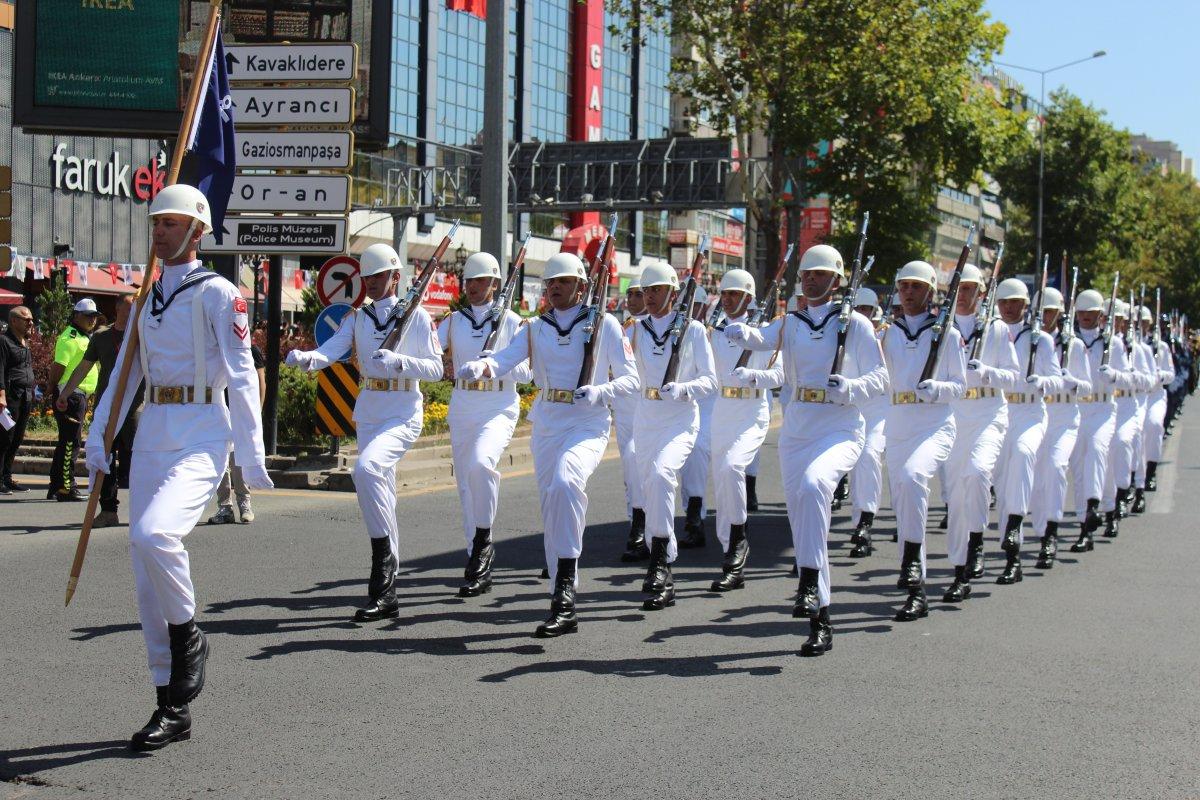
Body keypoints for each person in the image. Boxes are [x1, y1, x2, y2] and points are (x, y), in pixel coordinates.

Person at [85, 183, 272, 751]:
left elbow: (242, 373)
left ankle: (190, 636)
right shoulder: (146, 297)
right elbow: (125, 377)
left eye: (169, 223)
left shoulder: (219, 293)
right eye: (155, 223)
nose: (159, 231)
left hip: (201, 431)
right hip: (154, 434)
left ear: (197, 230)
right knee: (145, 576)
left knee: (154, 534)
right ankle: (170, 705)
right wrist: (98, 438)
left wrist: (251, 455)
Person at [458, 252, 639, 637]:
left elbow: (631, 380)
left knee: (566, 482)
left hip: (587, 422)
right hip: (548, 422)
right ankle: (560, 595)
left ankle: (567, 591)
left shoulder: (604, 324)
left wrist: (601, 391)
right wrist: (483, 367)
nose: (555, 287)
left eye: (563, 282)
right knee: (552, 507)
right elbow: (505, 359)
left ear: (581, 287)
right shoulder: (536, 328)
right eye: (550, 282)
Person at [726, 244, 888, 655]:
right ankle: (814, 599)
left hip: (840, 427)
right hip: (797, 430)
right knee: (801, 514)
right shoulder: (791, 322)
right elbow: (762, 339)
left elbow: (880, 378)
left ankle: (815, 594)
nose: (811, 280)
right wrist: (739, 331)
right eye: (806, 274)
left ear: (836, 281)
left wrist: (851, 387)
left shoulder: (855, 324)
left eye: (820, 274)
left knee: (816, 486)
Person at [286, 243, 445, 622]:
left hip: (403, 411)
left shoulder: (418, 317)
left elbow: (437, 369)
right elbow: (333, 349)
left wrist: (400, 362)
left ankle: (381, 568)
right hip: (371, 411)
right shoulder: (359, 318)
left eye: (378, 276)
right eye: (367, 277)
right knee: (381, 491)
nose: (371, 282)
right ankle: (389, 589)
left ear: (396, 277)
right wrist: (308, 359)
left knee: (366, 470)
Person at [436, 252, 530, 597]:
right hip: (464, 404)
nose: (472, 287)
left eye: (479, 281)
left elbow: (528, 373)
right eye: (469, 281)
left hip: (498, 404)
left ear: (494, 283)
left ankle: (484, 542)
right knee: (465, 485)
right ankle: (475, 555)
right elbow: (430, 352)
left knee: (481, 464)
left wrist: (496, 363)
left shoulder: (513, 322)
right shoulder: (454, 322)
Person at [625, 263, 716, 609]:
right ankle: (662, 561)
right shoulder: (635, 330)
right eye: (646, 290)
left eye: (657, 290)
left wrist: (684, 388)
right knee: (649, 487)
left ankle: (660, 562)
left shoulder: (693, 330)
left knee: (663, 475)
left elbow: (710, 380)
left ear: (673, 294)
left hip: (679, 418)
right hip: (646, 417)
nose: (649, 296)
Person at [879, 260, 966, 622]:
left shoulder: (948, 334)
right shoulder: (887, 334)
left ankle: (913, 562)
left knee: (914, 476)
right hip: (898, 424)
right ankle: (917, 592)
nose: (909, 292)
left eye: (916, 286)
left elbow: (959, 386)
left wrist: (938, 389)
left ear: (930, 291)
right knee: (903, 498)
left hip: (934, 424)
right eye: (904, 286)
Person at [942, 266, 1018, 597]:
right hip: (953, 415)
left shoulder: (996, 328)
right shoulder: (941, 327)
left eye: (969, 288)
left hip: (988, 413)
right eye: (958, 287)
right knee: (956, 497)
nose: (962, 294)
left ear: (982, 293)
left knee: (977, 473)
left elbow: (1013, 376)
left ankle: (976, 541)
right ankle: (959, 571)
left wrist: (987, 372)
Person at [703, 269, 774, 592]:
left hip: (752, 410)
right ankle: (729, 549)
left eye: (734, 294)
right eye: (725, 294)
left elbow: (781, 373)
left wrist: (756, 377)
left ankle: (738, 544)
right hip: (722, 409)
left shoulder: (764, 332)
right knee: (722, 480)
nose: (728, 299)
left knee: (733, 467)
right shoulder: (715, 332)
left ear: (748, 298)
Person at [989, 278, 1062, 585]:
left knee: (1022, 454)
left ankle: (1016, 525)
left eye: (1014, 302)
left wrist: (1042, 382)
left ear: (1025, 305)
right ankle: (1012, 556)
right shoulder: (991, 334)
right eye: (1003, 302)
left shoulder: (1039, 339)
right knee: (1003, 483)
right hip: (999, 411)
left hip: (1030, 412)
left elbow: (1057, 380)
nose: (1008, 307)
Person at [1029, 287, 1092, 569]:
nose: (1044, 316)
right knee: (1036, 479)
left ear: (1060, 314)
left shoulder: (1073, 344)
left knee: (1055, 468)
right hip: (1035, 415)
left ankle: (1051, 534)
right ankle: (1040, 527)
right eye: (1040, 311)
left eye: (1050, 311)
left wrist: (1072, 381)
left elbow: (1088, 386)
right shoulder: (1030, 340)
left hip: (1064, 417)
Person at [1066, 290, 1122, 552]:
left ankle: (1098, 507)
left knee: (1098, 452)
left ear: (1101, 315)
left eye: (1091, 312)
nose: (1086, 317)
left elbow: (1129, 377)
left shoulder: (1113, 343)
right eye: (1081, 312)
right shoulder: (1069, 341)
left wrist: (1115, 376)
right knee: (1079, 468)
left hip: (1103, 408)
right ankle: (1084, 526)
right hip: (1077, 408)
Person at [847, 289, 889, 558]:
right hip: (850, 409)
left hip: (877, 411)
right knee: (850, 467)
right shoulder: (843, 333)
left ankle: (865, 522)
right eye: (858, 309)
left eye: (867, 309)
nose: (863, 314)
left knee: (869, 456)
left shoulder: (886, 335)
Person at [207, 342, 266, 524]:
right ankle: (225, 506)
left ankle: (244, 503)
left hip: (240, 411)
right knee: (220, 458)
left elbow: (260, 383)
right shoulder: (215, 348)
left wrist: (256, 413)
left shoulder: (250, 349)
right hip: (217, 409)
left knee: (239, 457)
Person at [48, 298, 101, 500]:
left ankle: (56, 486)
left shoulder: (84, 336)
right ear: (77, 316)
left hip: (78, 396)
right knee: (71, 442)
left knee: (67, 441)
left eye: (94, 316)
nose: (92, 320)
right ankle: (65, 487)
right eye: (88, 316)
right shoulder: (70, 337)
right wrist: (53, 388)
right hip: (70, 395)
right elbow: (59, 366)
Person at [614, 271, 649, 561]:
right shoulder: (622, 327)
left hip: (648, 403)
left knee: (639, 461)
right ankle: (635, 522)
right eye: (631, 294)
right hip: (624, 405)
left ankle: (643, 525)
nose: (634, 299)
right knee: (630, 467)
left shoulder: (655, 327)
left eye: (639, 294)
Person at [678, 286, 715, 547]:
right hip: (680, 402)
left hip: (710, 404)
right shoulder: (676, 331)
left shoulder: (714, 332)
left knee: (698, 451)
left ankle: (695, 517)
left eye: (696, 305)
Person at [1133, 307, 1174, 507]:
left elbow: (1171, 374)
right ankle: (1133, 479)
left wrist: (1159, 375)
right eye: (1137, 322)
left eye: (1144, 322)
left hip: (1155, 395)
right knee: (1137, 436)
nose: (1140, 325)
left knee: (1155, 425)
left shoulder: (1160, 346)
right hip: (1137, 396)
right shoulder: (1129, 344)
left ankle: (1150, 471)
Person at [0, 306, 36, 494]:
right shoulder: (4, 341)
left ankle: (6, 477)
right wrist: (1, 395)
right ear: (14, 321)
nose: (31, 323)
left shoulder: (25, 341)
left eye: (31, 319)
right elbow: (0, 369)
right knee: (5, 438)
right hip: (10, 396)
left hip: (25, 396)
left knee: (17, 438)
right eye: (26, 319)